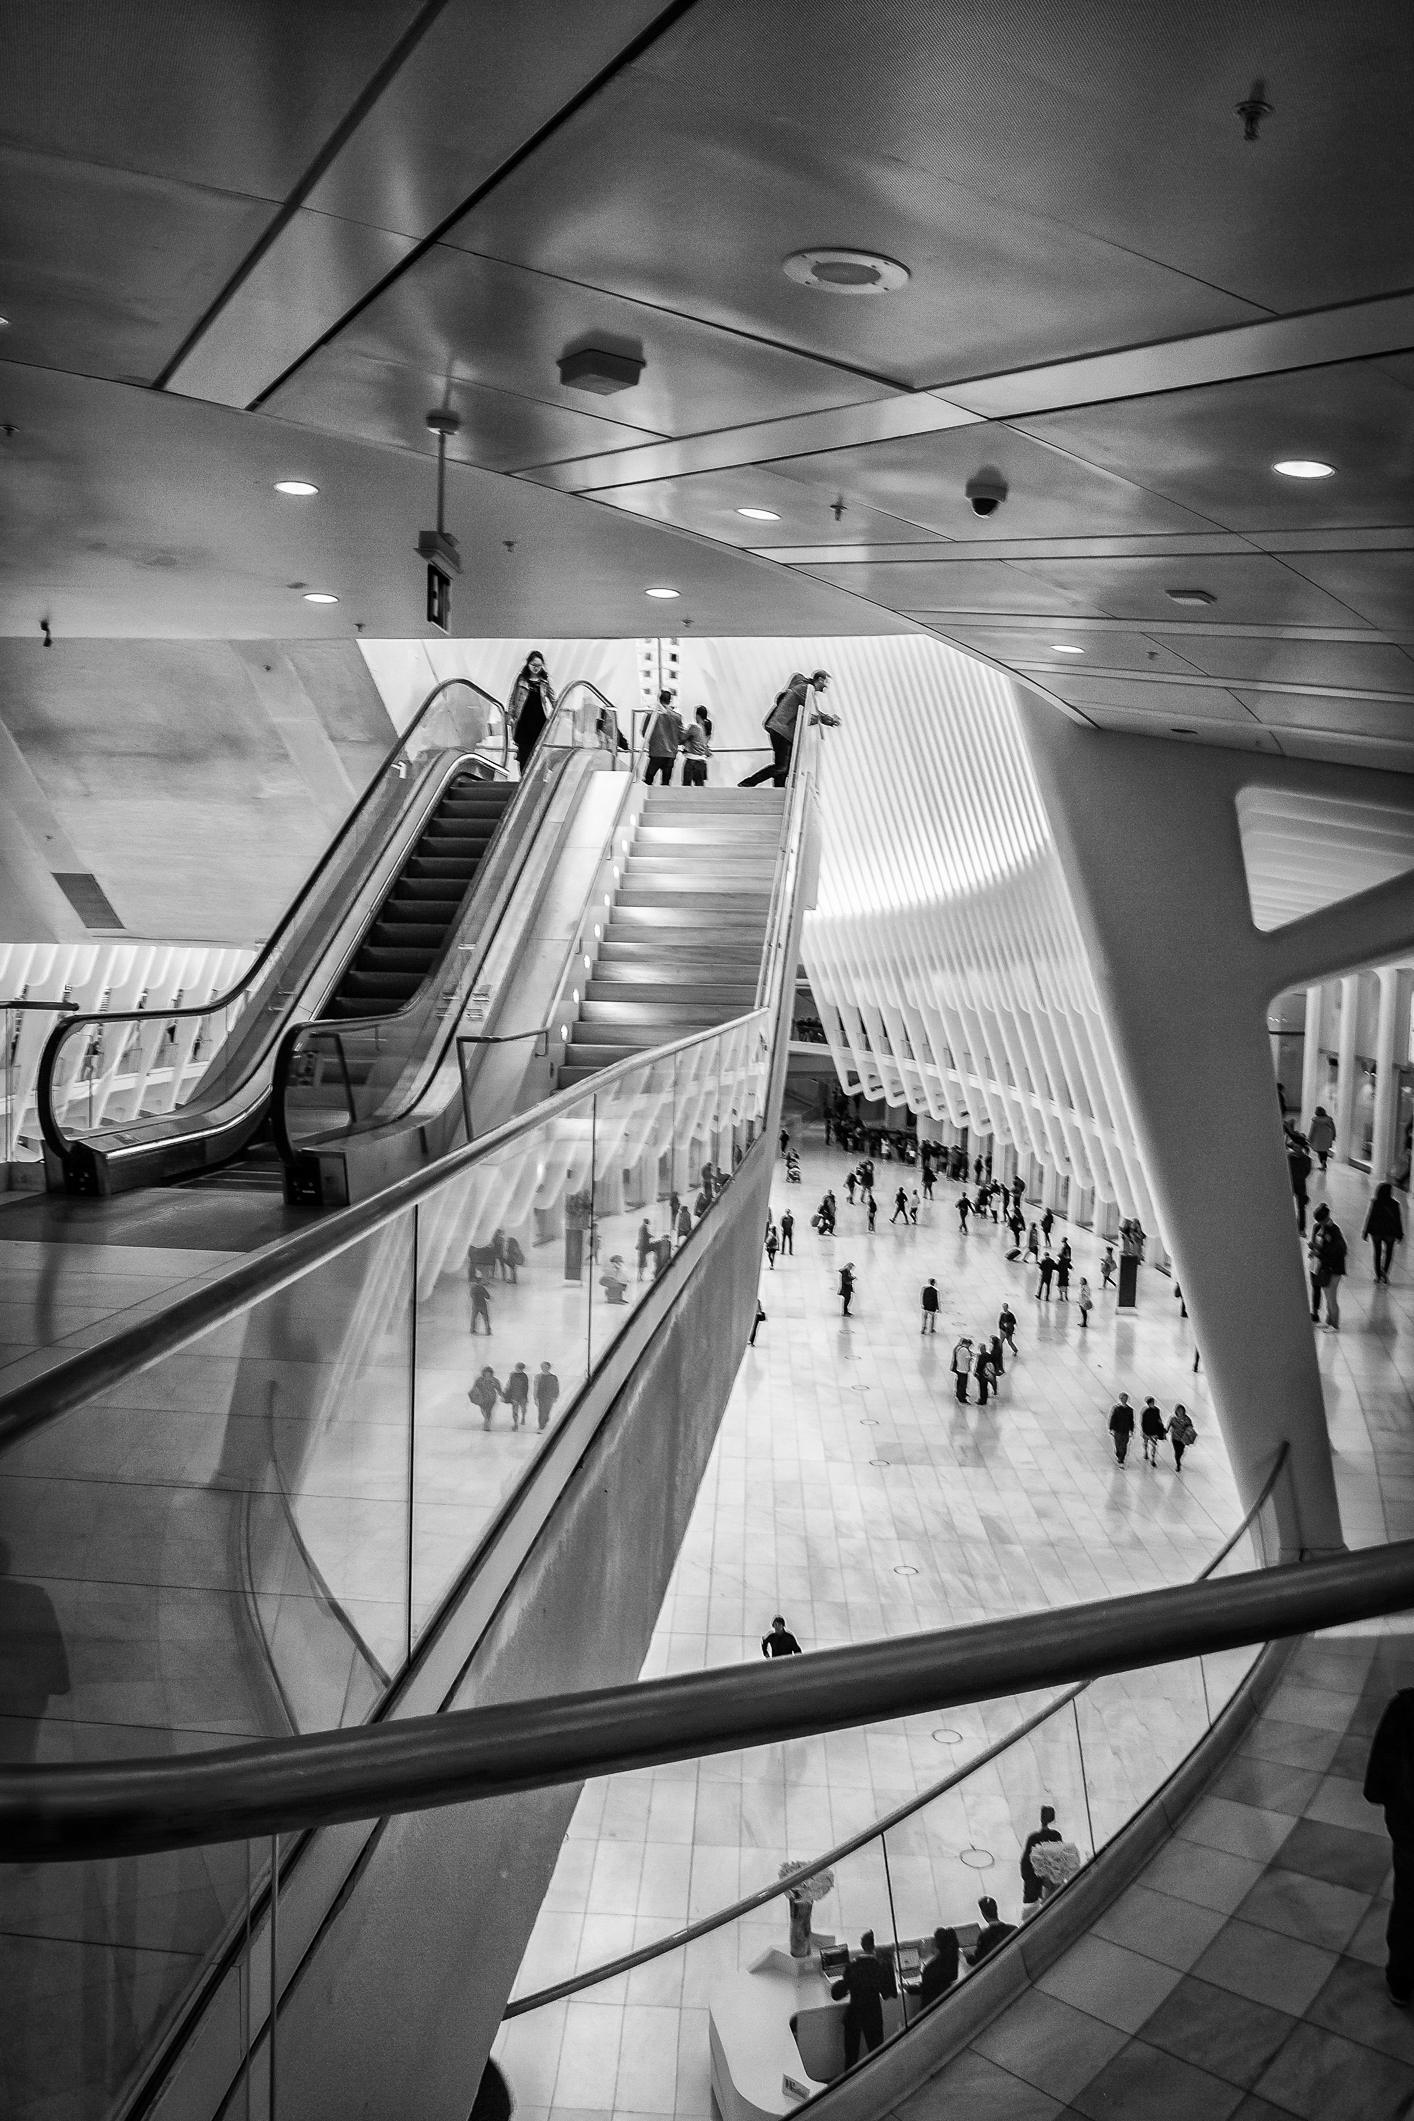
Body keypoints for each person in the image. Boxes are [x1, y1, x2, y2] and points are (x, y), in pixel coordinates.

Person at [1363, 1688, 1414, 2005]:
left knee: (1410, 1901)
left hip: (1411, 1827)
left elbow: (1378, 1782)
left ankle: (1402, 1980)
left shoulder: (1406, 1707)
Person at [0, 1539, 70, 1763]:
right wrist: (58, 1682)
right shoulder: (32, 1597)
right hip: (23, 1698)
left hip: (23, 1696)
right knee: (20, 1756)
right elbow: (50, 1644)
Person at [741, 670, 839, 788]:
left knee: (784, 767)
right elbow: (811, 713)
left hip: (782, 730)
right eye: (825, 682)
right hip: (782, 730)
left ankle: (778, 791)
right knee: (782, 766)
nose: (826, 686)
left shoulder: (805, 689)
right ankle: (749, 782)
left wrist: (823, 719)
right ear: (820, 680)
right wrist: (827, 719)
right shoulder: (806, 689)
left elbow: (809, 716)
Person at [829, 1931, 894, 2066]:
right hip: (873, 2018)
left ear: (862, 1945)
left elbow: (838, 1993)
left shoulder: (851, 1967)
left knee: (851, 2058)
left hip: (854, 2017)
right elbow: (888, 1994)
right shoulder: (880, 1967)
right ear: (874, 1947)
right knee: (877, 2056)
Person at [509, 650, 556, 774]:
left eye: (539, 666)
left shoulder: (544, 680)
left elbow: (552, 698)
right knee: (524, 750)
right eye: (533, 665)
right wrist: (510, 715)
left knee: (538, 750)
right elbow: (513, 698)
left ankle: (536, 776)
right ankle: (524, 777)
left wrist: (558, 712)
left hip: (539, 720)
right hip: (523, 720)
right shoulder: (521, 679)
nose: (536, 668)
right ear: (528, 664)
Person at [1309, 1202, 1347, 1329]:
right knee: (1327, 1295)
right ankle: (1329, 1321)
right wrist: (1315, 1248)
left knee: (1331, 1298)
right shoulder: (1319, 1228)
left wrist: (1320, 1251)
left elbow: (1336, 1250)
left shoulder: (1334, 1231)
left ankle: (1334, 1325)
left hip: (1333, 1268)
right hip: (1324, 1266)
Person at [1020, 1806, 1062, 1907]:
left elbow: (1026, 1863)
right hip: (1052, 1884)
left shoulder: (1034, 1838)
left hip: (1035, 1887)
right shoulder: (1056, 1836)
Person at [1365, 1181, 1405, 1283]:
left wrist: (1366, 1231)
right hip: (1390, 1232)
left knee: (1377, 1253)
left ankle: (1378, 1275)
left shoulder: (1376, 1203)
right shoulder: (1395, 1204)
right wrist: (1400, 1234)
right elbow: (1398, 1220)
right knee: (1389, 1253)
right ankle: (1385, 1273)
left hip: (1376, 1232)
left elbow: (1370, 1217)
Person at [966, 1897, 1016, 1967]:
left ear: (983, 1914)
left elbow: (977, 1961)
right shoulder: (1013, 1929)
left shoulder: (984, 1936)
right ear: (996, 1910)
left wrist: (967, 1956)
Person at [917, 1927, 960, 2008]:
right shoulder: (952, 1959)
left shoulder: (933, 1967)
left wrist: (909, 1988)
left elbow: (926, 1989)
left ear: (938, 1942)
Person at [680, 705, 712, 786]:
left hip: (691, 760)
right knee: (699, 787)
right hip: (702, 761)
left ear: (697, 715)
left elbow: (682, 739)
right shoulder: (708, 727)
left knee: (686, 786)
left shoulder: (694, 727)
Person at [1288, 1130, 1312, 1234]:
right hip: (1290, 1184)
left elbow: (1307, 1171)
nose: (1295, 1149)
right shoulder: (1289, 1158)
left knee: (1301, 1208)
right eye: (1294, 1148)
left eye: (1297, 1148)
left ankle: (1301, 1228)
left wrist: (1299, 1177)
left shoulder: (1307, 1159)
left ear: (1302, 1148)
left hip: (1300, 1184)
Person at [469, 1364, 502, 1430]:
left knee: (489, 1410)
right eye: (486, 1373)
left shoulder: (494, 1381)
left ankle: (487, 1422)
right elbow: (475, 1388)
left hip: (491, 1398)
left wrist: (502, 1395)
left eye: (488, 1374)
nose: (487, 1375)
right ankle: (486, 1419)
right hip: (482, 1398)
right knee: (483, 1409)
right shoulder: (479, 1380)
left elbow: (498, 1389)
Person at [1168, 1402, 1196, 1471]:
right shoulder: (1173, 1419)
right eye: (1178, 1411)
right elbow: (1169, 1426)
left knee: (1181, 1450)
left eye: (1181, 1410)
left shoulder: (1187, 1419)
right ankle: (1178, 1463)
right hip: (1175, 1438)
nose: (1180, 1412)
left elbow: (1190, 1427)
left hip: (1183, 1438)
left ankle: (1178, 1459)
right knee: (1176, 1451)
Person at [1108, 1393, 1134, 1465]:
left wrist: (1131, 1430)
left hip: (1125, 1430)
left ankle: (1121, 1458)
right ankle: (1118, 1453)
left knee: (1124, 1445)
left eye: (1125, 1398)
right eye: (1122, 1398)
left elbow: (1131, 1421)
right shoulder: (1116, 1408)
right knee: (1118, 1444)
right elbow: (1113, 1418)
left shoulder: (1130, 1410)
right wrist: (1111, 1428)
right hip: (1118, 1430)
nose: (1124, 1400)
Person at [1308, 1105, 1337, 1171]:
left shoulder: (1315, 1120)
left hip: (1318, 1138)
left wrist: (1310, 1138)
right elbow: (1333, 1128)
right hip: (1327, 1137)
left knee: (1319, 1151)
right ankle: (1324, 1162)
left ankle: (1322, 1163)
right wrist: (1333, 1136)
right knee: (1324, 1150)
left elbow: (1312, 1130)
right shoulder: (1329, 1120)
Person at [1140, 1396, 1167, 1466]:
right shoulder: (1146, 1411)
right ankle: (1146, 1452)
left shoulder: (1156, 1410)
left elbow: (1159, 1419)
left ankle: (1152, 1458)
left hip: (1154, 1430)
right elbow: (1143, 1422)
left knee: (1154, 1445)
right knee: (1147, 1443)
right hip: (1147, 1430)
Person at [534, 1361, 559, 1431]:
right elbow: (536, 1387)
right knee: (541, 1411)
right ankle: (541, 1426)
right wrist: (535, 1398)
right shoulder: (538, 1377)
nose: (545, 1368)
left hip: (549, 1397)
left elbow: (556, 1387)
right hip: (541, 1397)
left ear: (549, 1368)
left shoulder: (553, 1377)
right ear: (541, 1368)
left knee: (547, 1411)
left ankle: (544, 1423)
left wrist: (555, 1397)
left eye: (547, 1367)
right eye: (544, 1367)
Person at [504, 1361, 530, 1428]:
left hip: (519, 1395)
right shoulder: (514, 1375)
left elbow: (525, 1387)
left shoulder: (523, 1376)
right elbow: (510, 1385)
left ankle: (522, 1419)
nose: (517, 1368)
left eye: (518, 1367)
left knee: (520, 1408)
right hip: (516, 1395)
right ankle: (516, 1423)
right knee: (516, 1409)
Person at [951, 1336, 973, 1403]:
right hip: (964, 1369)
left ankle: (958, 1394)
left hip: (959, 1368)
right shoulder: (965, 1350)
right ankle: (962, 1398)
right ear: (967, 1344)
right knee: (963, 1384)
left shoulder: (958, 1348)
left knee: (959, 1382)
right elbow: (968, 1358)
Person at [636, 1217, 653, 1281]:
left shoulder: (642, 1228)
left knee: (641, 1261)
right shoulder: (644, 1228)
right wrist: (650, 1236)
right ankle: (640, 1276)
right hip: (643, 1247)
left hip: (641, 1247)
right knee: (642, 1262)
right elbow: (644, 1237)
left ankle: (639, 1276)